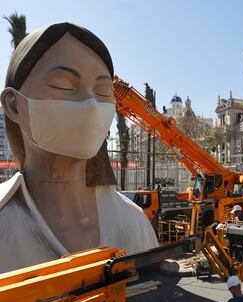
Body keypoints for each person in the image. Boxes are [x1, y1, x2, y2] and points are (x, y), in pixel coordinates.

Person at [0, 22, 159, 273]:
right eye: (64, 85)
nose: (91, 105)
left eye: (103, 90)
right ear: (14, 105)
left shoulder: (133, 222)